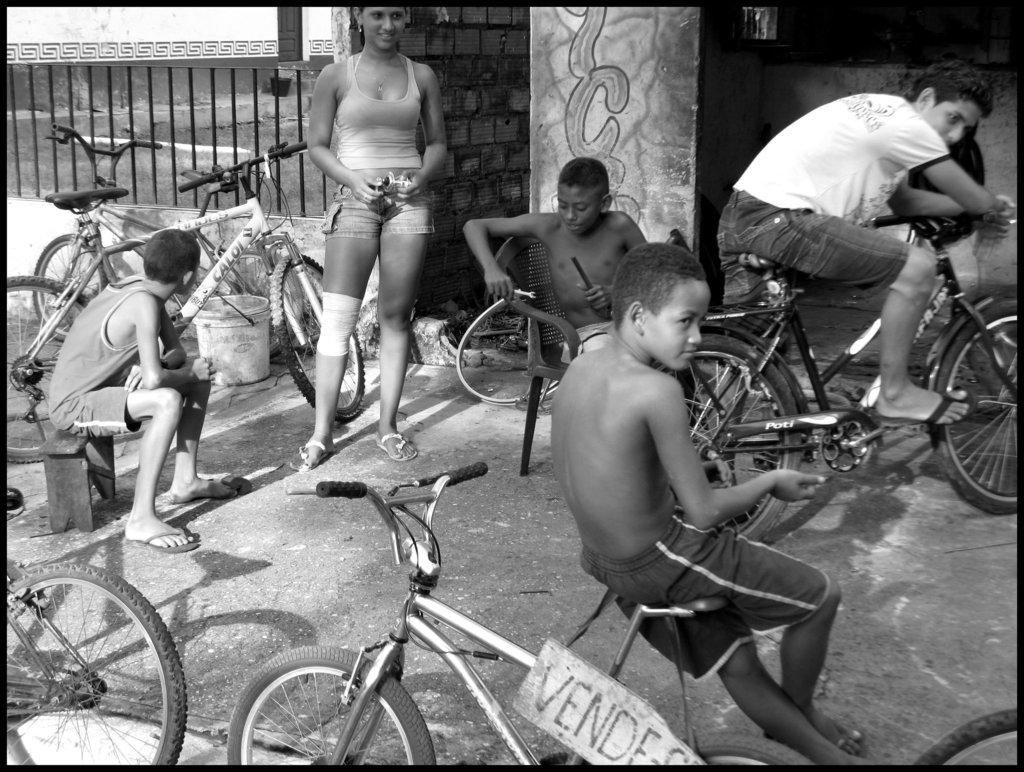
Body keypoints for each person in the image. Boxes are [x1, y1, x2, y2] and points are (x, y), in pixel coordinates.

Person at [551, 242, 869, 765]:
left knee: (736, 660)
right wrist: (771, 483)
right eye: (686, 321)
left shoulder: (583, 365)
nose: (698, 338)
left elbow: (612, 462)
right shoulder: (657, 389)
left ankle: (809, 745)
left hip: (606, 562)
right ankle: (806, 716)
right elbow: (703, 513)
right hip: (661, 558)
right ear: (638, 315)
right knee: (821, 597)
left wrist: (692, 471)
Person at [717, 59, 1016, 427]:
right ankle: (895, 393)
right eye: (953, 119)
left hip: (747, 219)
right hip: (778, 219)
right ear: (926, 98)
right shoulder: (906, 123)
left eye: (964, 130)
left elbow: (908, 202)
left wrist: (971, 210)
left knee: (759, 374)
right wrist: (989, 208)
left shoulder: (884, 119)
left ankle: (737, 450)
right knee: (918, 267)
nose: (955, 137)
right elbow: (976, 199)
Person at [297, 6, 447, 468]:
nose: (388, 25)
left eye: (397, 15)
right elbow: (317, 144)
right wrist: (353, 179)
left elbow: (438, 143)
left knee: (396, 317)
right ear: (359, 17)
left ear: (406, 20)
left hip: (407, 204)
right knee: (338, 320)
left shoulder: (421, 75)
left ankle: (387, 426)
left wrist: (421, 177)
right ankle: (322, 432)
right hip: (356, 201)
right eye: (378, 14)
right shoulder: (336, 75)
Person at [49, 229, 251, 554]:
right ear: (187, 277)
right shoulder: (144, 303)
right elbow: (158, 383)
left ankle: (186, 481)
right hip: (73, 405)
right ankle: (140, 518)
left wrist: (150, 365)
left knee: (195, 377)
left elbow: (176, 356)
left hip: (100, 389)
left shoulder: (144, 289)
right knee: (167, 400)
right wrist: (158, 371)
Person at [463, 156, 647, 353]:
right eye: (562, 205)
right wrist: (491, 269)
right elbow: (473, 226)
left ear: (604, 204)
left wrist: (615, 292)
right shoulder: (548, 226)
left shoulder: (620, 226)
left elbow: (655, 274)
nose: (569, 215)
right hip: (590, 334)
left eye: (581, 208)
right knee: (615, 358)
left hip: (634, 322)